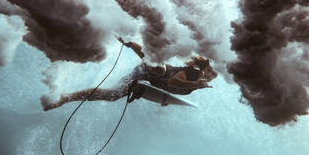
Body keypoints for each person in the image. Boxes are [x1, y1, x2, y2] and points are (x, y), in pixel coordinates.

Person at [41, 36, 217, 111]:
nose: (209, 76)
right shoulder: (195, 73)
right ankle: (130, 42)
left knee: (112, 95)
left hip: (142, 77)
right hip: (150, 70)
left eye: (212, 76)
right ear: (205, 67)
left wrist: (163, 100)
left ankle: (65, 98)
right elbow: (173, 83)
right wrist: (194, 84)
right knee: (159, 68)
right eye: (209, 71)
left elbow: (169, 91)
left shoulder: (194, 86)